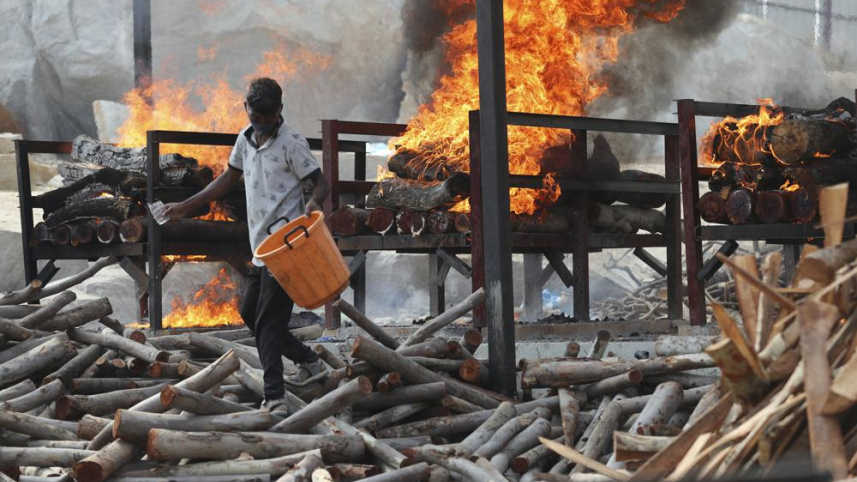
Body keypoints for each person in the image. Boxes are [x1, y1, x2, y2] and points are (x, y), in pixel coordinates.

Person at [163, 77, 328, 412]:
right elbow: (228, 179)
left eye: (269, 121)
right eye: (257, 120)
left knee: (268, 324)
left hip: (287, 248)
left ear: (280, 111)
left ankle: (275, 397)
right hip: (260, 248)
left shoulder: (292, 143)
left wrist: (314, 203)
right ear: (247, 110)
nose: (263, 127)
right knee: (250, 313)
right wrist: (185, 207)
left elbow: (321, 182)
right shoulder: (245, 139)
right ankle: (310, 361)